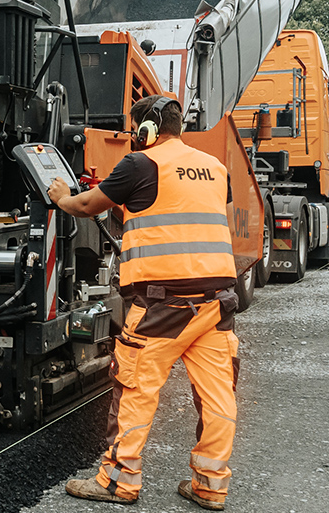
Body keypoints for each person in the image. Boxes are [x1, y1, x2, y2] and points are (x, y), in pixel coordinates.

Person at [49, 95, 241, 510]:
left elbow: (85, 206)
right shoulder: (215, 168)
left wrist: (62, 195)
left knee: (135, 388)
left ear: (146, 129)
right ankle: (210, 486)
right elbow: (178, 209)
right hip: (216, 304)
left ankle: (118, 482)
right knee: (218, 396)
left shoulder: (140, 164)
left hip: (162, 307)